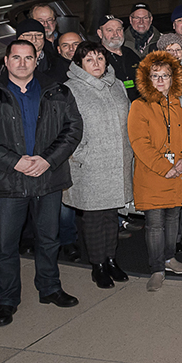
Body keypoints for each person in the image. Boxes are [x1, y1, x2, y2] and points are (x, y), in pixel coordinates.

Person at [0, 40, 83, 327]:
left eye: (28, 57)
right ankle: (7, 300)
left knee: (49, 239)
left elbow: (73, 129)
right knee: (6, 245)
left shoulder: (58, 92)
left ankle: (50, 288)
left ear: (37, 60)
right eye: (16, 58)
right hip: (8, 182)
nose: (22, 63)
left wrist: (47, 160)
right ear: (6, 61)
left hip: (48, 178)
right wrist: (14, 162)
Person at [63, 41, 133, 289]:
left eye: (100, 59)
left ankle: (111, 259)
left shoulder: (116, 85)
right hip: (90, 164)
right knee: (94, 217)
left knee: (111, 215)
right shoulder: (71, 89)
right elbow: (65, 128)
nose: (96, 64)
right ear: (79, 63)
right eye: (89, 59)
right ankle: (98, 265)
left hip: (118, 162)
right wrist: (80, 153)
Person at [129, 51, 182, 291]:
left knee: (173, 219)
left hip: (180, 172)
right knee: (155, 223)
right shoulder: (139, 106)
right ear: (147, 79)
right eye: (155, 76)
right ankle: (156, 268)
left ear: (174, 78)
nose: (160, 81)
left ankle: (170, 258)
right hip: (153, 175)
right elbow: (139, 142)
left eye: (165, 76)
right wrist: (164, 167)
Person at [96, 14, 142, 101]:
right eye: (110, 30)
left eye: (119, 30)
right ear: (100, 33)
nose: (116, 34)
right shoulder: (96, 57)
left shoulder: (131, 53)